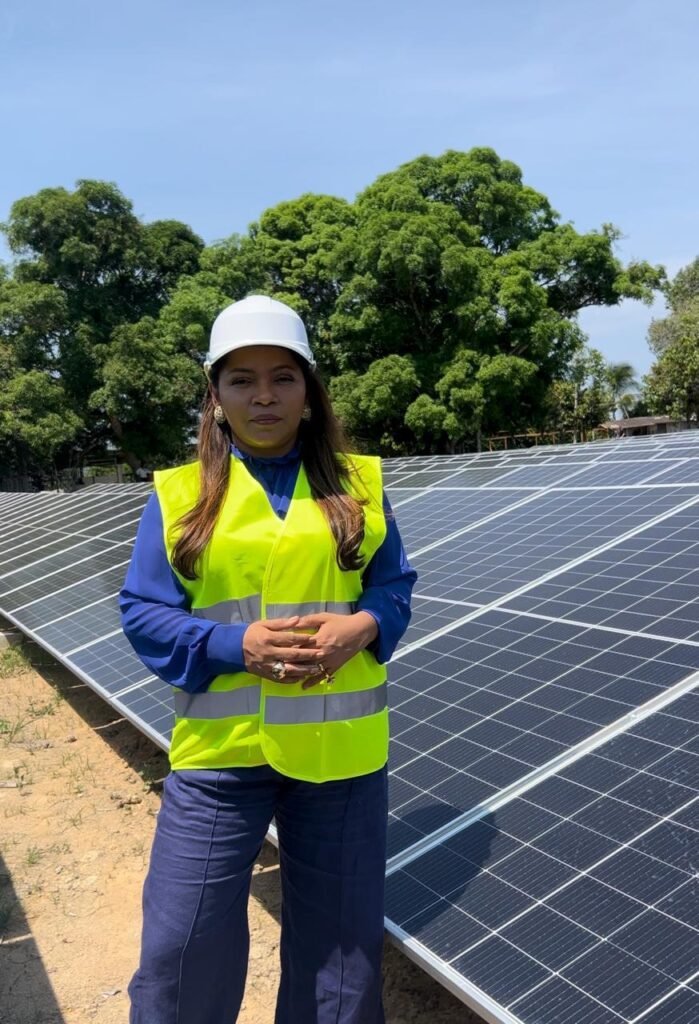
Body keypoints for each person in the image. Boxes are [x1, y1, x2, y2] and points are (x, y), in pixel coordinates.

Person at [119, 294, 417, 1024]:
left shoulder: (359, 484)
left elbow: (394, 586)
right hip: (220, 758)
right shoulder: (180, 494)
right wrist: (231, 645)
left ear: (309, 393)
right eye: (240, 378)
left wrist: (367, 625)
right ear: (214, 396)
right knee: (179, 947)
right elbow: (143, 610)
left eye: (283, 377)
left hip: (339, 755)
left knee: (340, 957)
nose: (263, 395)